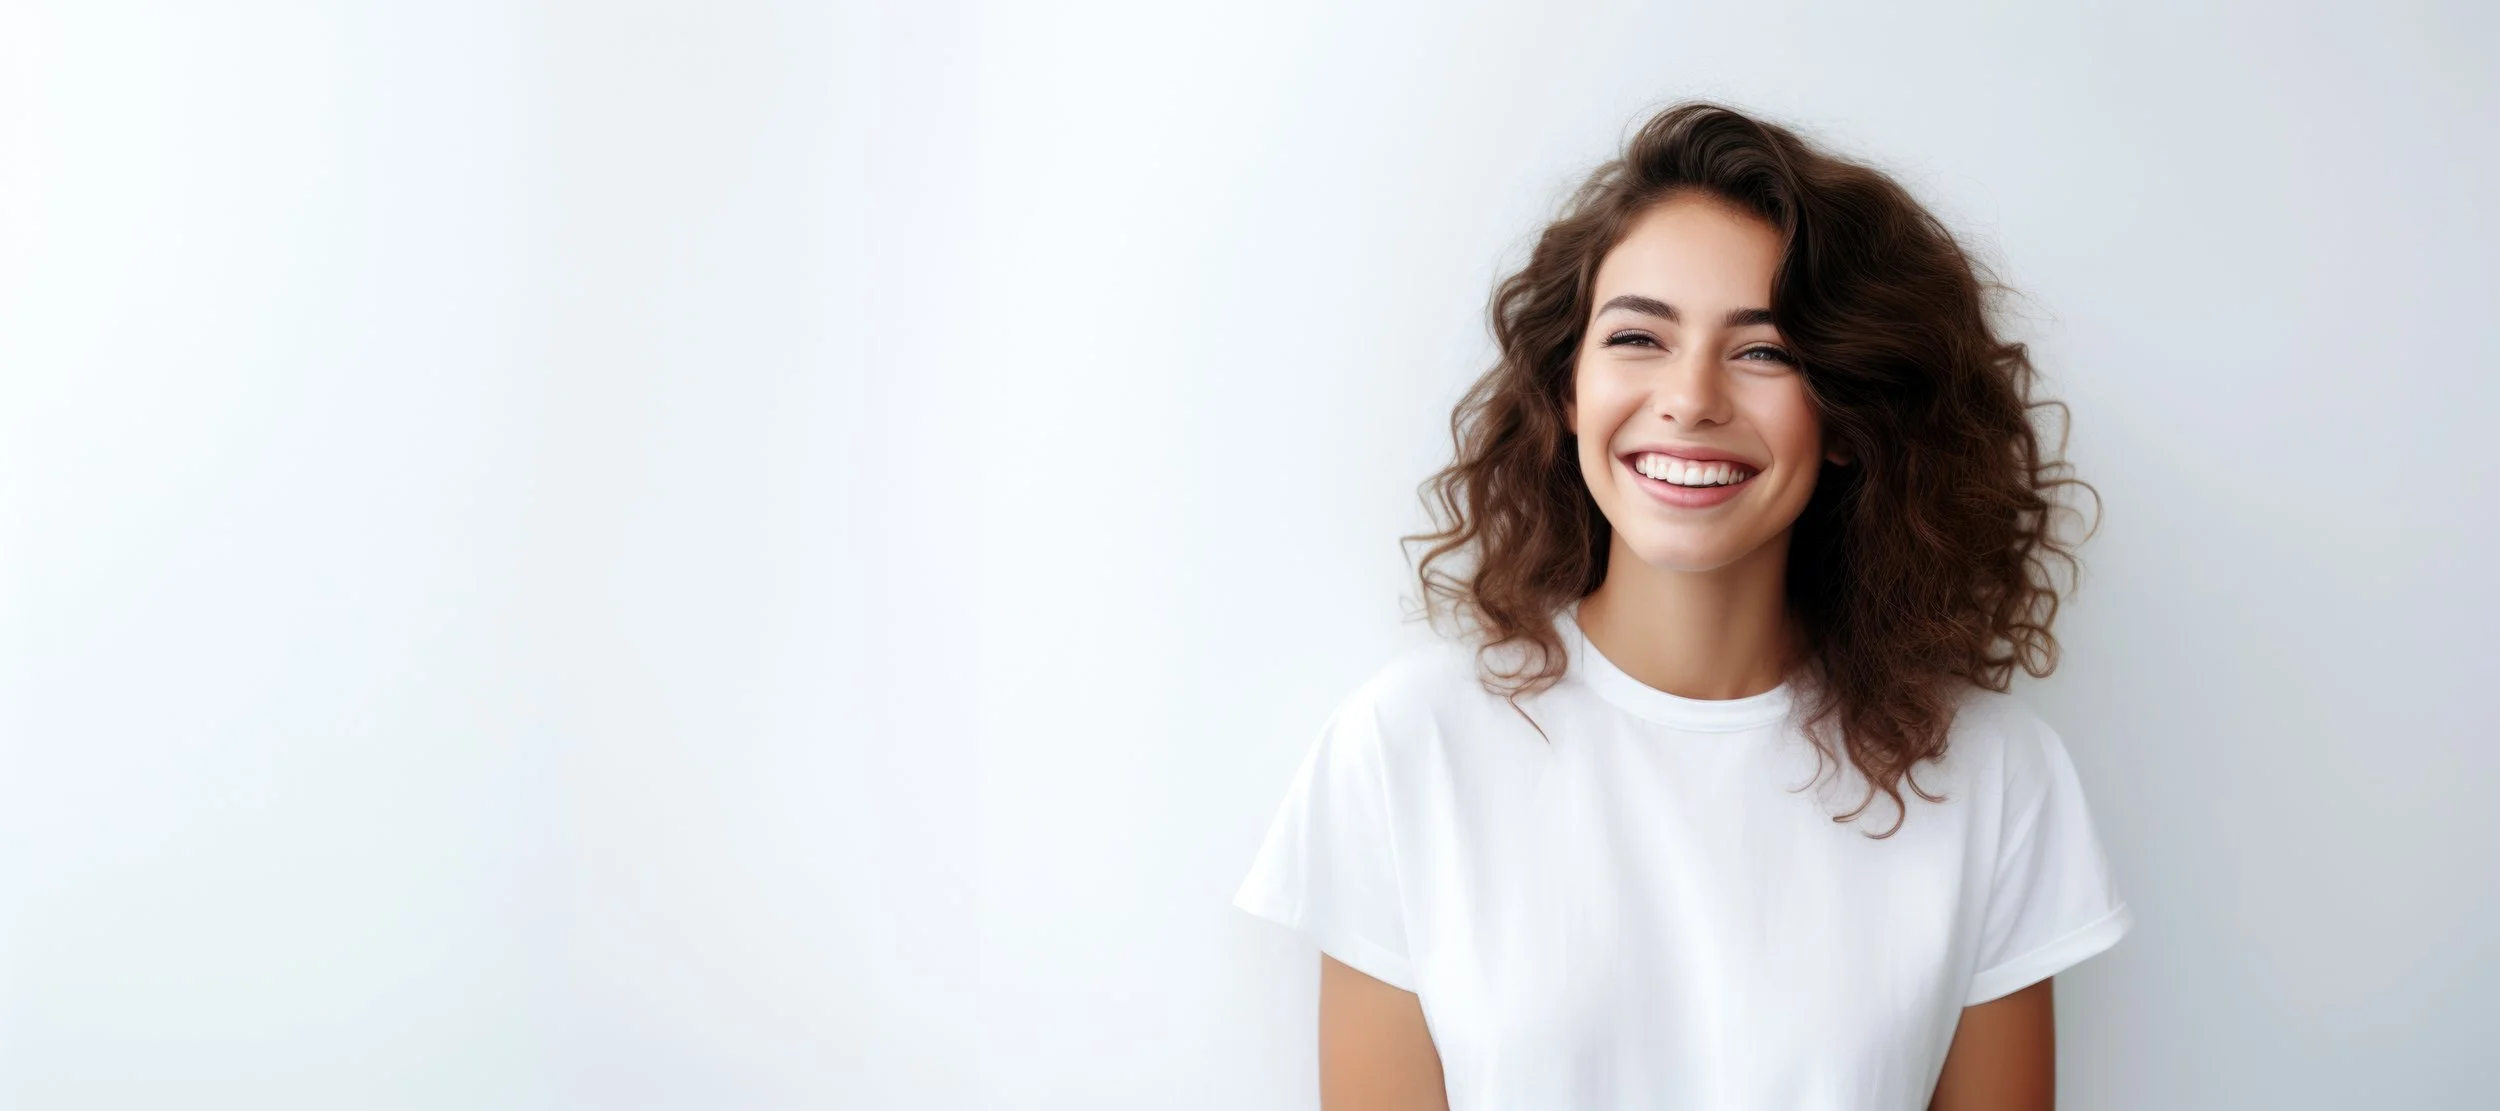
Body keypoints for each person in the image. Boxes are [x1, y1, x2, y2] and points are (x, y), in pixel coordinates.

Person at [1230, 100, 2133, 1110]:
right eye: (1637, 337)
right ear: (1568, 389)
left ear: (1846, 414)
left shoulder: (1991, 775)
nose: (1691, 398)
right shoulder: (1408, 750)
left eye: (1764, 351)